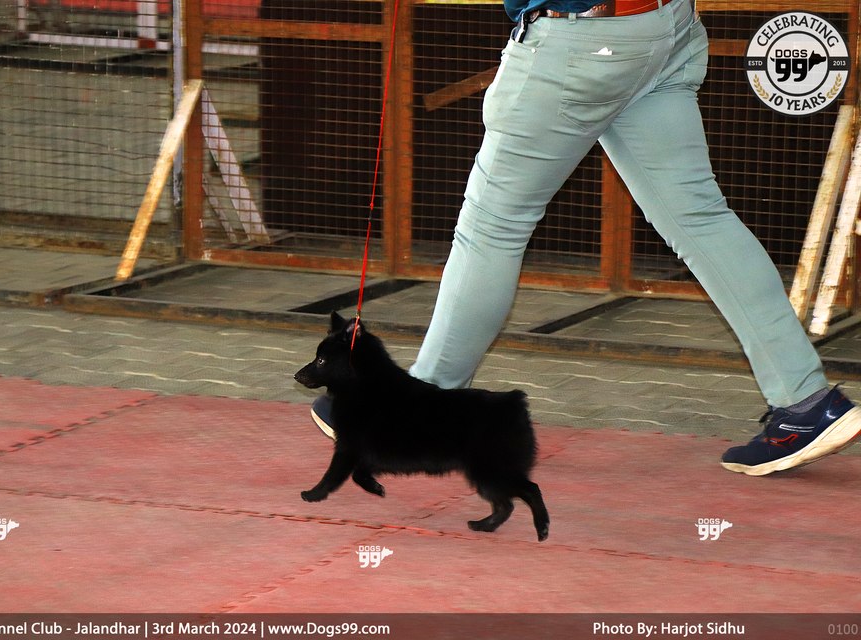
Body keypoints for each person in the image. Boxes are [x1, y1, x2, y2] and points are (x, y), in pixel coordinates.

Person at [310, 0, 861, 476]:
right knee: (701, 217)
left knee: (492, 228)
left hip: (581, 39)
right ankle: (807, 402)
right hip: (666, 26)